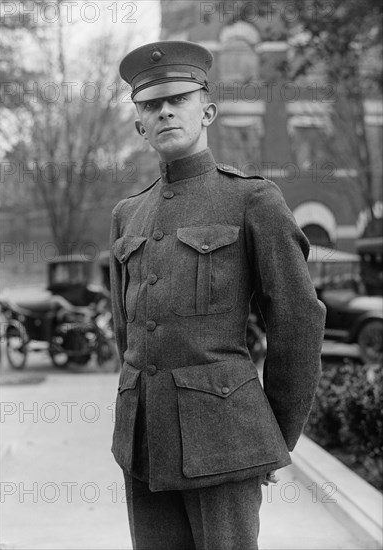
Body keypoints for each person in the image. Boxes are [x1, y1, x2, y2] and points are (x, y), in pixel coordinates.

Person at [109, 40, 326, 550]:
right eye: (149, 105)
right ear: (140, 123)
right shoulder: (126, 213)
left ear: (206, 110)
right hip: (142, 441)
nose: (163, 111)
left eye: (178, 99)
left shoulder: (252, 199)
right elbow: (127, 328)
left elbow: (297, 320)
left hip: (224, 439)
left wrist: (273, 435)